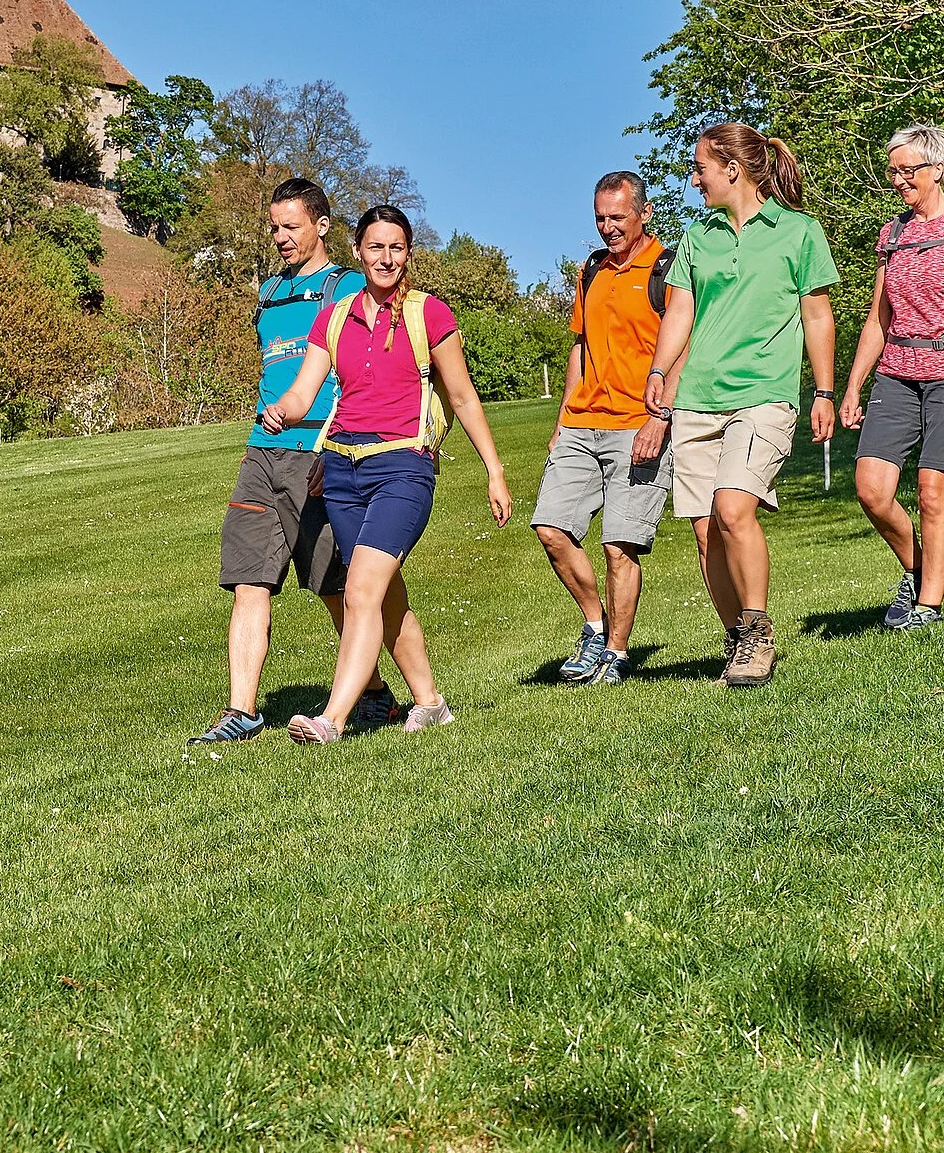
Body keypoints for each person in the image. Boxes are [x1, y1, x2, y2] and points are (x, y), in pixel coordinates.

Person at [260, 204, 512, 742]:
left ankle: (332, 719)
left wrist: (494, 469)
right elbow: (307, 390)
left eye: (397, 248)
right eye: (376, 247)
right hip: (343, 470)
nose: (386, 258)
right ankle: (431, 702)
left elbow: (464, 397)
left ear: (409, 254)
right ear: (359, 252)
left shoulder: (431, 315)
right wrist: (283, 410)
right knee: (384, 590)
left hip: (404, 467)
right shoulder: (335, 316)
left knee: (360, 590)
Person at [192, 177, 405, 744]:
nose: (281, 238)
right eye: (275, 228)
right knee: (248, 581)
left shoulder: (351, 289)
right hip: (263, 453)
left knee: (337, 585)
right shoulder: (268, 293)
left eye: (292, 227)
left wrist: (328, 450)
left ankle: (377, 695)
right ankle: (242, 710)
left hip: (321, 456)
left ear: (321, 225)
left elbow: (360, 378)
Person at [641, 123, 840, 689]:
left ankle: (758, 634)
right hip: (699, 397)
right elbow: (679, 312)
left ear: (733, 168)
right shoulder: (697, 236)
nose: (694, 177)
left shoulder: (798, 233)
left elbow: (818, 316)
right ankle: (738, 643)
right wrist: (660, 372)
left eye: (701, 166)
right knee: (706, 531)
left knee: (733, 509)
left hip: (764, 395)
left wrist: (823, 391)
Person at [839, 124, 944, 630]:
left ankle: (928, 606)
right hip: (896, 372)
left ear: (937, 169)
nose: (898, 180)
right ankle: (916, 569)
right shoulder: (892, 234)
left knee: (934, 490)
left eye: (908, 170)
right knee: (872, 490)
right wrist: (852, 385)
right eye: (893, 171)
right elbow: (878, 318)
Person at [533, 172, 675, 686]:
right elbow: (580, 347)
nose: (608, 227)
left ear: (645, 213)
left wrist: (660, 417)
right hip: (582, 421)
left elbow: (680, 349)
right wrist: (562, 417)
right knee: (551, 529)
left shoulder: (668, 268)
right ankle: (596, 625)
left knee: (620, 545)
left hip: (639, 423)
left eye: (618, 216)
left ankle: (615, 655)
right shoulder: (590, 271)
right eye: (600, 218)